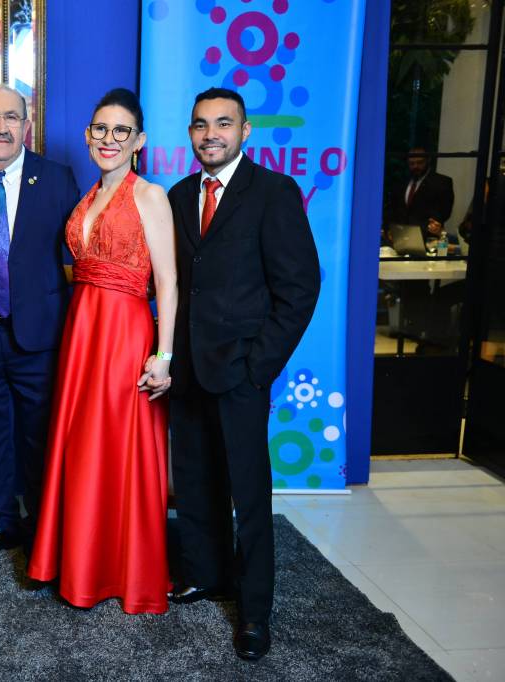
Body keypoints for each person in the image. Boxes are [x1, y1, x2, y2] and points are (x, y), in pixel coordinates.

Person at [154, 87, 320, 660]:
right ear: (190, 133)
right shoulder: (179, 196)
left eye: (223, 124)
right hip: (188, 368)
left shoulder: (274, 192)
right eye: (201, 125)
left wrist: (258, 366)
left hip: (242, 370)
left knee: (248, 495)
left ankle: (254, 612)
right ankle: (205, 574)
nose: (211, 135)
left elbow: (300, 288)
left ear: (245, 131)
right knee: (195, 480)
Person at [26, 89, 177, 614]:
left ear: (139, 141)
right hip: (82, 331)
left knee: (115, 444)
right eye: (100, 129)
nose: (108, 139)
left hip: (123, 334)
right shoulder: (85, 198)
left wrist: (164, 356)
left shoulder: (150, 196)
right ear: (88, 135)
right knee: (81, 443)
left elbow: (169, 282)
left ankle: (118, 570)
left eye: (121, 131)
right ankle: (80, 562)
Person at [0, 85, 80, 561]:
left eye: (12, 117)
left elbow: (77, 259)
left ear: (26, 126)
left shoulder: (56, 179)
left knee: (40, 434)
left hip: (40, 333)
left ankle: (43, 526)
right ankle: (0, 522)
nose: (1, 127)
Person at [385, 146, 455, 242]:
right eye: (412, 163)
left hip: (428, 238)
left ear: (428, 161)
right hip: (399, 237)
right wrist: (389, 229)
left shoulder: (441, 182)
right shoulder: (401, 183)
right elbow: (392, 209)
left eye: (420, 162)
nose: (415, 166)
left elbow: (443, 212)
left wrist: (427, 229)